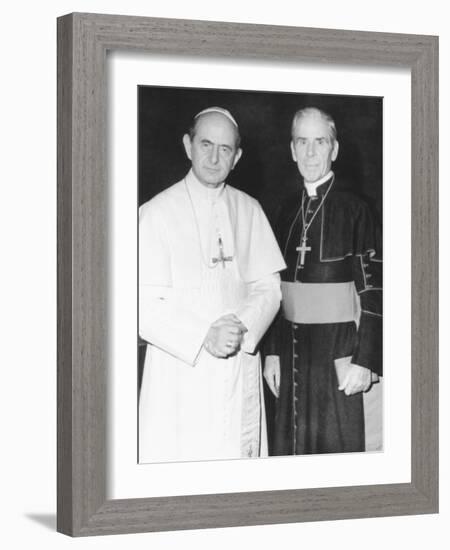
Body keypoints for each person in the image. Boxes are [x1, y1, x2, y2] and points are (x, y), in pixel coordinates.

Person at [139, 106, 286, 463]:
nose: (214, 157)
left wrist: (241, 325)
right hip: (179, 374)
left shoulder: (249, 209)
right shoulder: (155, 213)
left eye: (225, 149)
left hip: (239, 366)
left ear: (237, 157)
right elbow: (139, 305)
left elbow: (269, 288)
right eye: (206, 144)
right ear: (188, 145)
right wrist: (204, 334)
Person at [264, 107, 382, 455]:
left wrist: (366, 359)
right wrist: (272, 354)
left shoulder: (356, 210)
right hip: (290, 351)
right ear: (291, 150)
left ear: (335, 149)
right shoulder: (283, 210)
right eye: (303, 142)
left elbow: (375, 290)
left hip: (339, 353)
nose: (311, 152)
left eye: (320, 142)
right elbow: (275, 288)